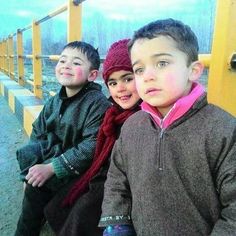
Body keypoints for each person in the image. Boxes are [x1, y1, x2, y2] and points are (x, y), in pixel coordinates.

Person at [99, 19, 236, 236]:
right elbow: (117, 178)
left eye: (162, 63)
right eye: (139, 69)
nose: (148, 76)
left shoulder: (224, 130)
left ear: (193, 70)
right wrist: (117, 224)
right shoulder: (132, 126)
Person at [43, 39, 141, 236]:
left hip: (121, 187)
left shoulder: (142, 119)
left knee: (81, 215)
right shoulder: (112, 114)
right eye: (112, 82)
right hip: (100, 175)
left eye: (128, 79)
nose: (120, 88)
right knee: (55, 208)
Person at [15, 40, 111, 236]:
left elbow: (92, 145)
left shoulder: (97, 104)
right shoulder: (54, 101)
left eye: (76, 63)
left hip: (79, 168)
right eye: (62, 60)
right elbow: (38, 131)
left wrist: (51, 168)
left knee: (36, 188)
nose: (66, 65)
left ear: (92, 75)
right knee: (28, 158)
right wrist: (32, 169)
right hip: (54, 155)